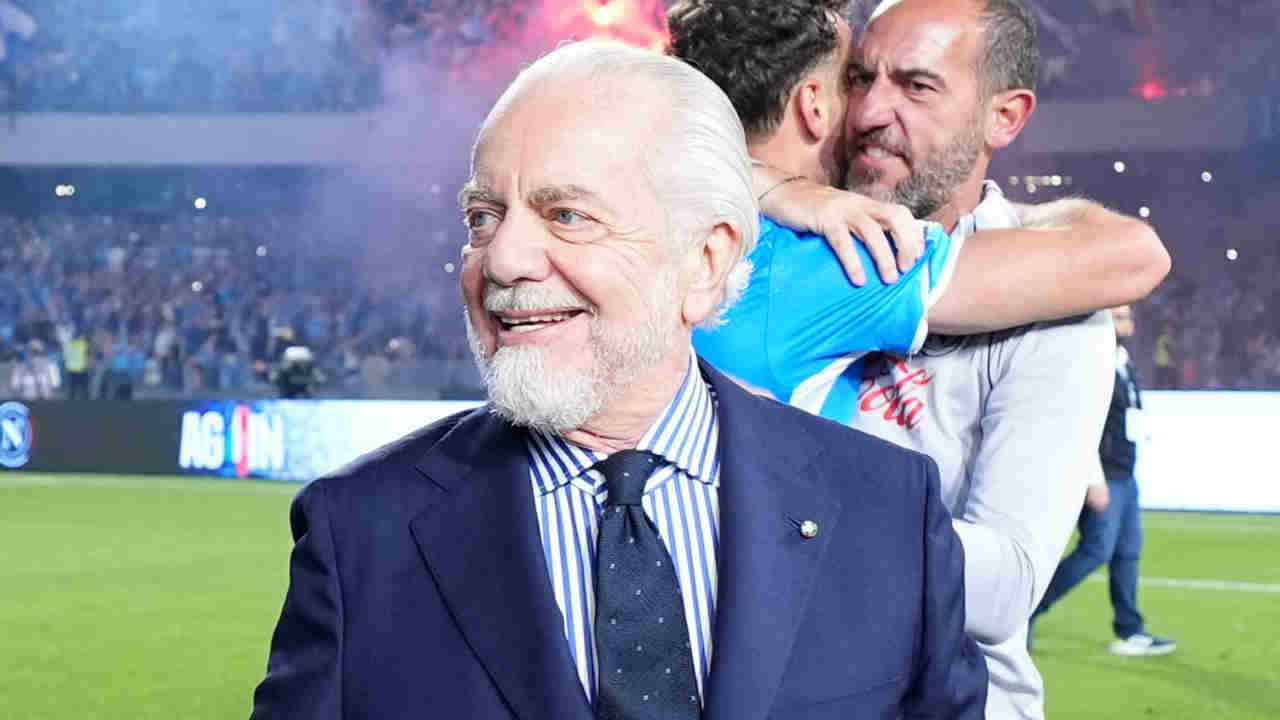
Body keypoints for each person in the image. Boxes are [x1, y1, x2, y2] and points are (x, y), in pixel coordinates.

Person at [250, 40, 988, 719]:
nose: (501, 259)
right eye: (482, 217)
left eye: (567, 215)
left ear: (704, 263)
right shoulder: (360, 533)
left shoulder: (889, 510)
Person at [672, 1, 1169, 718]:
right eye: (859, 78)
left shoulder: (1062, 298)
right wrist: (773, 185)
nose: (871, 112)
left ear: (1004, 117)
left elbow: (1007, 588)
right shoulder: (788, 242)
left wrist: (777, 509)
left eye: (917, 86)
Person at [1031, 305, 1176, 657]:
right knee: (1095, 551)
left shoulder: (1122, 363)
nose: (1124, 323)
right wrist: (1092, 478)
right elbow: (1079, 425)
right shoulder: (1089, 365)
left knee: (1127, 553)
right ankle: (1027, 609)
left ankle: (1130, 630)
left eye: (1126, 317)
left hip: (1125, 475)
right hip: (1105, 475)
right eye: (1116, 316)